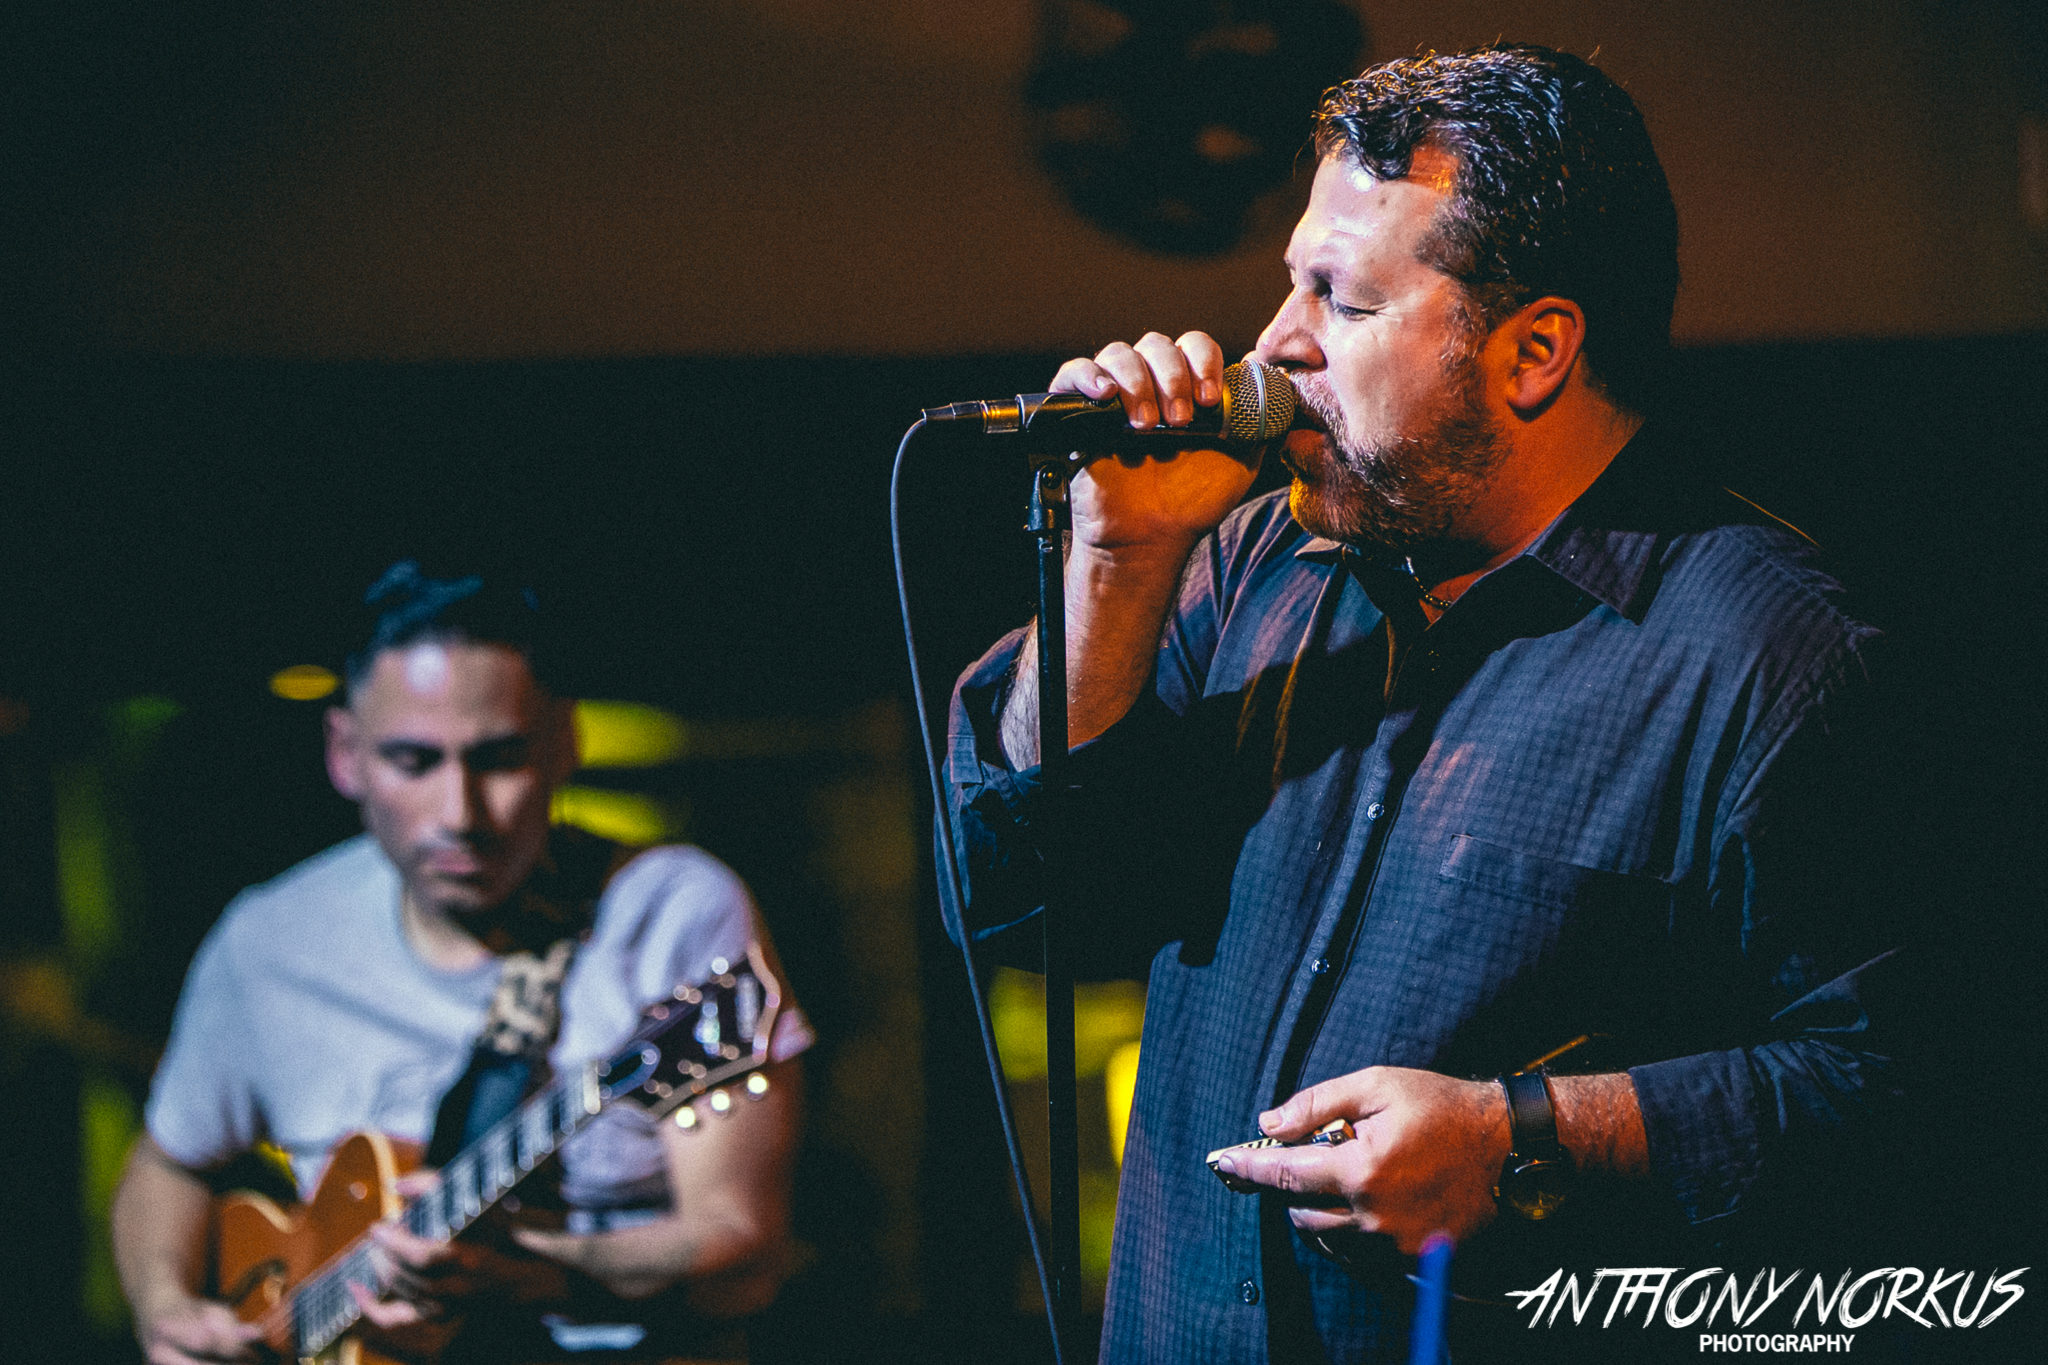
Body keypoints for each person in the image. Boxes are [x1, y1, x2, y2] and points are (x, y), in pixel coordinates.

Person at [943, 46, 1909, 1362]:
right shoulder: (1246, 565)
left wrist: (1526, 1140)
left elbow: (1897, 1088)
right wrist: (1114, 563)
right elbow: (1022, 906)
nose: (1274, 345)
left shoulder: (1774, 654)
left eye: (1338, 300)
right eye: (1292, 283)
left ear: (1534, 353)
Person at [112, 563, 811, 1365]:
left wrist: (538, 1274)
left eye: (500, 758)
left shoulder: (671, 914)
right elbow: (166, 1162)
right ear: (345, 754)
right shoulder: (269, 942)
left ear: (566, 742)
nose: (461, 814)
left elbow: (746, 1256)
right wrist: (165, 1307)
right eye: (414, 761)